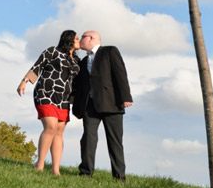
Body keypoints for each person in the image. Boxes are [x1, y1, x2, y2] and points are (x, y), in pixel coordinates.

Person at [17, 30, 80, 175]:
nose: (79, 41)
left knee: (59, 132)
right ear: (69, 39)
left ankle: (55, 170)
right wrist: (24, 81)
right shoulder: (52, 51)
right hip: (45, 93)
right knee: (50, 126)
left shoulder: (77, 60)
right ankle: (39, 165)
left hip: (64, 98)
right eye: (77, 38)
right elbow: (37, 66)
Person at [72, 30, 133, 180]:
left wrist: (126, 97)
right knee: (88, 139)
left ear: (91, 38)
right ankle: (86, 173)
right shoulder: (83, 61)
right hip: (89, 106)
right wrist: (76, 108)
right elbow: (79, 87)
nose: (80, 40)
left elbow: (120, 73)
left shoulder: (109, 51)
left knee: (115, 141)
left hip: (112, 103)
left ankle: (119, 177)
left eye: (83, 37)